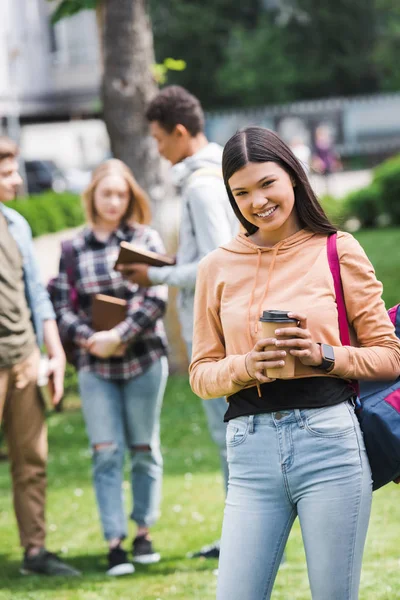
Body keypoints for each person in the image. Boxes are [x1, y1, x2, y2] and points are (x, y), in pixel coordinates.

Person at [189, 126, 400, 599]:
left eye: (267, 183)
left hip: (330, 445)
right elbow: (201, 373)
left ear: (293, 177)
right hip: (250, 451)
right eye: (240, 192)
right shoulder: (216, 267)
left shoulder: (337, 249)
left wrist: (323, 356)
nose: (257, 201)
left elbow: (390, 357)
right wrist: (245, 366)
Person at [117, 86, 238, 559]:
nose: (158, 149)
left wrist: (156, 274)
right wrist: (171, 260)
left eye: (159, 138)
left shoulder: (202, 183)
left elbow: (216, 262)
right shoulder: (216, 174)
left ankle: (241, 540)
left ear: (181, 132)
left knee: (229, 441)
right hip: (218, 328)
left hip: (216, 333)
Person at [51, 159, 169, 576]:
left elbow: (156, 296)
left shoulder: (143, 238)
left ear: (130, 196)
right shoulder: (72, 249)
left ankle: (143, 532)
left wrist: (120, 333)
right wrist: (89, 339)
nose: (115, 201)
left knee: (143, 449)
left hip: (143, 358)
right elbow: (62, 305)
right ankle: (114, 541)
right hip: (94, 365)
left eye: (122, 194)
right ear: (93, 197)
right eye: (107, 194)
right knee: (105, 452)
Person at [0, 136, 80, 576]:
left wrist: (54, 352)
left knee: (31, 462)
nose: (16, 179)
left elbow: (36, 293)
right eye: (8, 172)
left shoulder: (16, 225)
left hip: (24, 359)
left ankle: (35, 552)